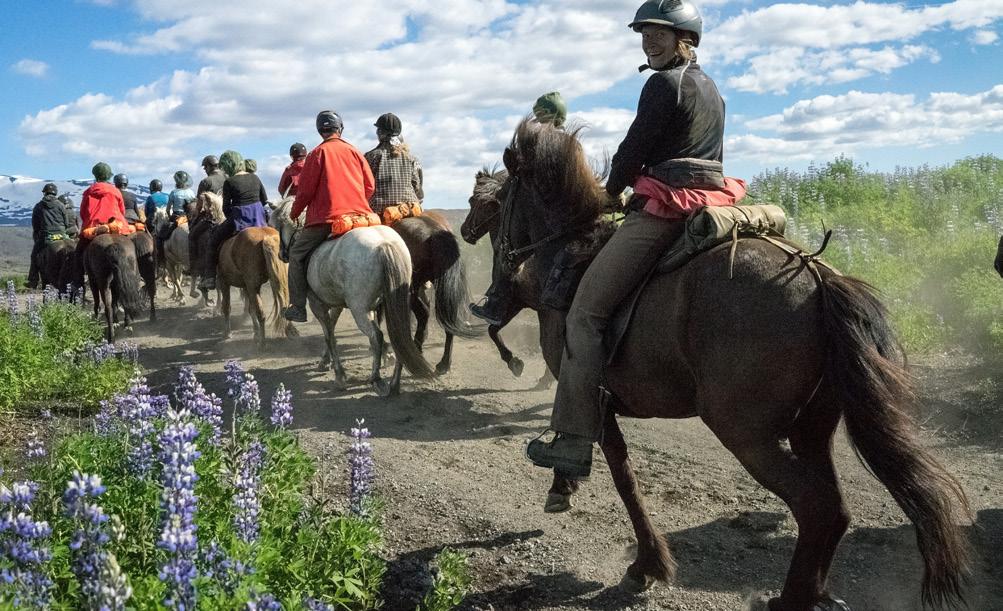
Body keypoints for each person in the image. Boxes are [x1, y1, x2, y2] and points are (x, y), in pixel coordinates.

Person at [525, 0, 746, 479]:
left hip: (667, 206)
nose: (650, 40)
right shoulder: (713, 89)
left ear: (684, 38)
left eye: (660, 33)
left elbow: (634, 148)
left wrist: (609, 191)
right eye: (645, 33)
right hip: (715, 201)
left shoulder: (663, 83)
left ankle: (573, 441)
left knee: (584, 314)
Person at [469, 91, 569, 325]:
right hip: (569, 217)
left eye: (538, 115)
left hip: (538, 215)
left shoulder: (535, 142)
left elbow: (520, 178)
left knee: (506, 249)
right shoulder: (572, 143)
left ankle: (495, 304)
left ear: (543, 115)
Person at [282, 111, 375, 322]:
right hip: (360, 216)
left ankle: (297, 307)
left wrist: (295, 213)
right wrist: (357, 202)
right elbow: (369, 186)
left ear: (320, 130)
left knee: (296, 254)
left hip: (326, 219)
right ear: (340, 128)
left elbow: (304, 192)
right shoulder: (354, 151)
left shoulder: (317, 154)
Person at [199, 151, 269, 290]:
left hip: (239, 218)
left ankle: (210, 278)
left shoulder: (229, 182)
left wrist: (233, 216)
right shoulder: (255, 177)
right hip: (259, 218)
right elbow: (264, 199)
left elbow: (225, 208)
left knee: (212, 242)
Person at [72, 162, 129, 292]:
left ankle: (77, 282)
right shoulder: (115, 191)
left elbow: (83, 212)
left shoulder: (89, 191)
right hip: (116, 226)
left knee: (78, 253)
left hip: (94, 227)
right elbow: (122, 211)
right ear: (108, 176)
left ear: (95, 176)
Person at [364, 112, 424, 220]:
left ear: (380, 132)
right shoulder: (412, 158)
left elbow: (365, 187)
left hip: (380, 212)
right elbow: (417, 187)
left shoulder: (370, 156)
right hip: (408, 209)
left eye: (378, 130)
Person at [26, 183, 74, 289]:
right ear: (55, 193)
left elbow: (35, 225)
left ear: (44, 192)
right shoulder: (61, 205)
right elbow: (66, 222)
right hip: (62, 235)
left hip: (46, 236)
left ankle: (33, 280)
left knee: (34, 255)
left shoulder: (38, 206)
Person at [189, 156, 224, 274]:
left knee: (192, 236)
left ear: (209, 166)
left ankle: (194, 267)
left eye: (205, 167)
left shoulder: (206, 182)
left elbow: (199, 204)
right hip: (228, 216)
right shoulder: (227, 178)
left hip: (211, 217)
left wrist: (195, 217)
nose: (204, 169)